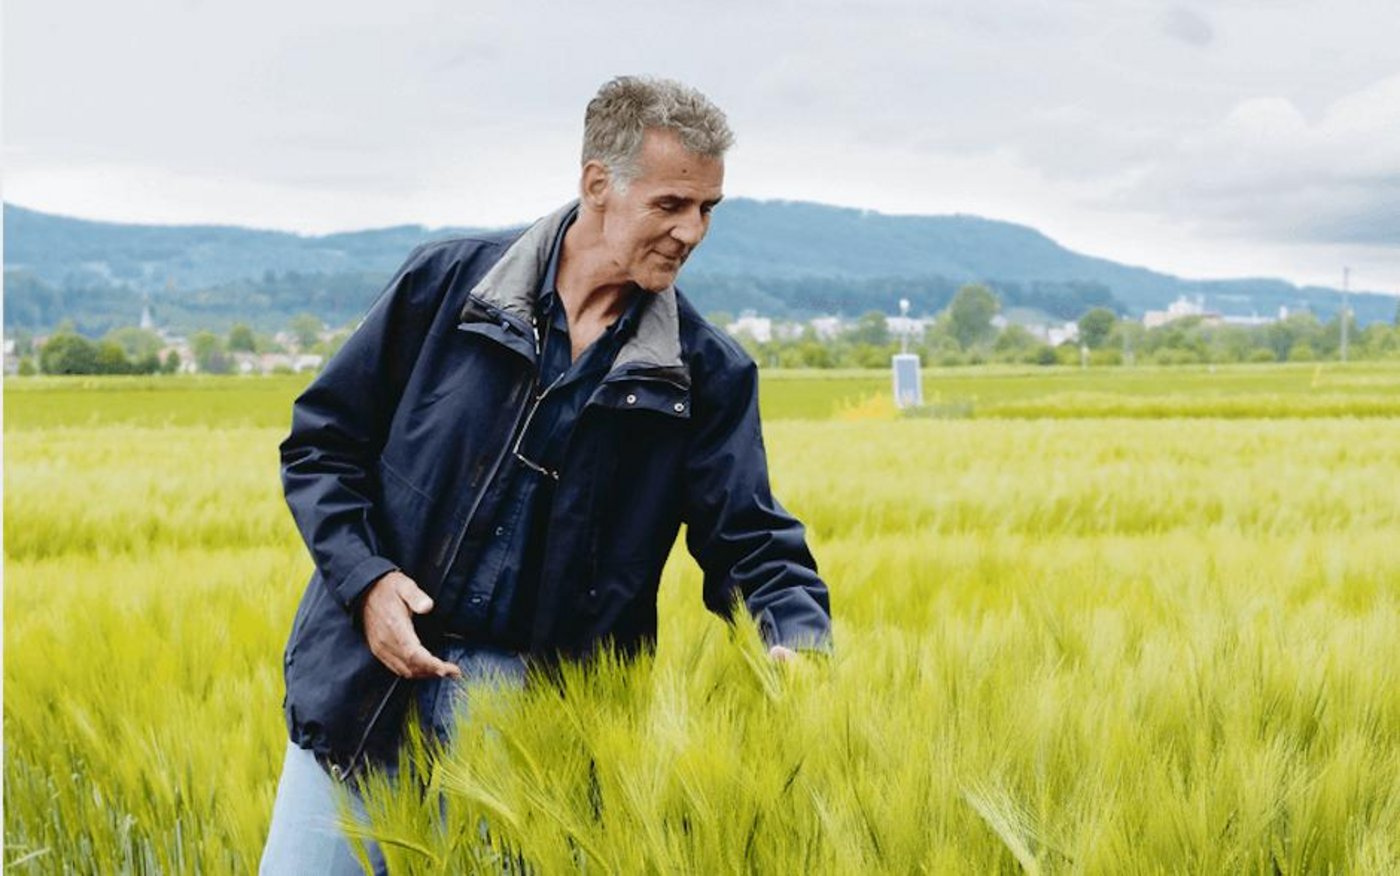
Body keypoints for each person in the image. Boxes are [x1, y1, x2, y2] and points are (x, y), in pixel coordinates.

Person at [260, 75, 832, 874]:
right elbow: (322, 446)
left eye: (708, 209)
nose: (692, 231)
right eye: (671, 204)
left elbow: (751, 536)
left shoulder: (705, 373)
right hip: (363, 688)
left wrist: (795, 633)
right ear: (598, 184)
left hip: (533, 729)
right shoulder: (445, 290)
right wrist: (367, 582)